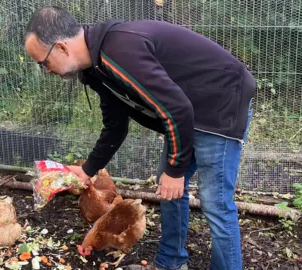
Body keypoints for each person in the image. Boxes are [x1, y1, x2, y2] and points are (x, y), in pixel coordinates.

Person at [23, 6, 255, 270]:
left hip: (220, 103)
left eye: (44, 62)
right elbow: (116, 125)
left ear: (61, 47)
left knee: (215, 201)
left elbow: (177, 109)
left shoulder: (120, 50)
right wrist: (88, 170)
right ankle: (170, 262)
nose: (47, 70)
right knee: (168, 190)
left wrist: (176, 169)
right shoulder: (96, 69)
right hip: (186, 111)